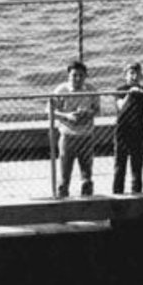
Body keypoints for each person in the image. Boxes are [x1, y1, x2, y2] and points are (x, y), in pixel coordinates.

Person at [48, 60, 101, 198]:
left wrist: (87, 113)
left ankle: (87, 204)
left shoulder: (91, 90)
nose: (77, 79)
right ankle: (62, 206)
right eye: (74, 75)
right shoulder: (61, 90)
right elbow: (50, 111)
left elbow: (97, 110)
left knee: (87, 176)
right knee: (64, 176)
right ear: (68, 75)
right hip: (68, 137)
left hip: (86, 136)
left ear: (85, 76)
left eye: (81, 75)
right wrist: (67, 116)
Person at [111, 62, 143, 194]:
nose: (134, 77)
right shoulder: (121, 90)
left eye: (137, 74)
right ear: (126, 75)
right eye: (131, 73)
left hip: (138, 132)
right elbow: (120, 106)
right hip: (123, 132)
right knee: (120, 167)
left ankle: (137, 194)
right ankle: (117, 195)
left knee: (137, 167)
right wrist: (130, 93)